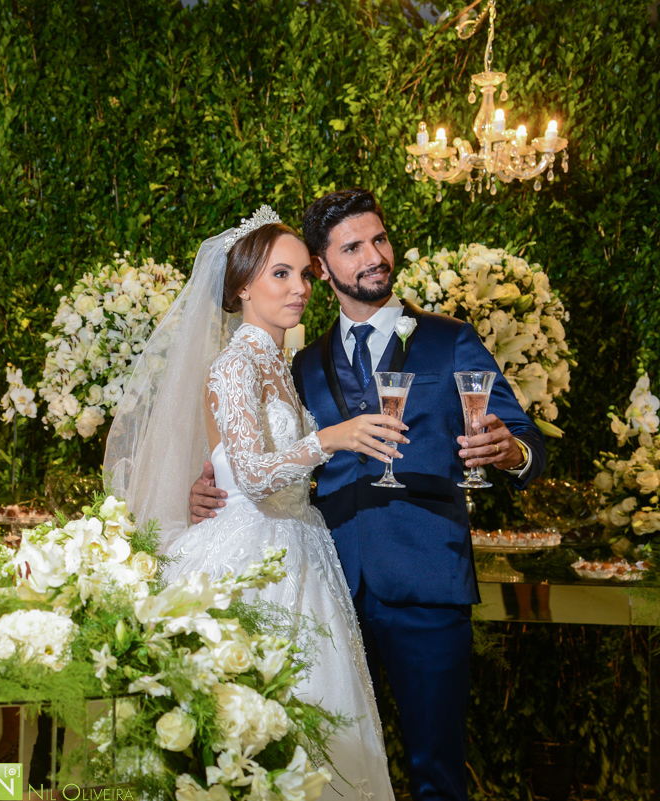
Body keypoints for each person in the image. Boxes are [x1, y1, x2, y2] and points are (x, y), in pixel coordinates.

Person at [188, 189, 546, 801]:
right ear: (324, 269)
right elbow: (266, 454)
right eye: (352, 247)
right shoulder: (299, 361)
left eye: (378, 239)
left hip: (425, 580)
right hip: (324, 589)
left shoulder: (448, 339)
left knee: (437, 769)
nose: (373, 255)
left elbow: (526, 439)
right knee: (329, 766)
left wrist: (511, 451)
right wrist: (212, 483)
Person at [105, 206, 401, 801]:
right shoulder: (235, 363)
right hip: (252, 553)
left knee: (309, 717)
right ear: (243, 286)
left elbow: (237, 463)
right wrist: (332, 437)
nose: (299, 289)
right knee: (251, 726)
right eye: (280, 275)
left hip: (299, 544)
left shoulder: (277, 362)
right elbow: (254, 474)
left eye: (304, 276)